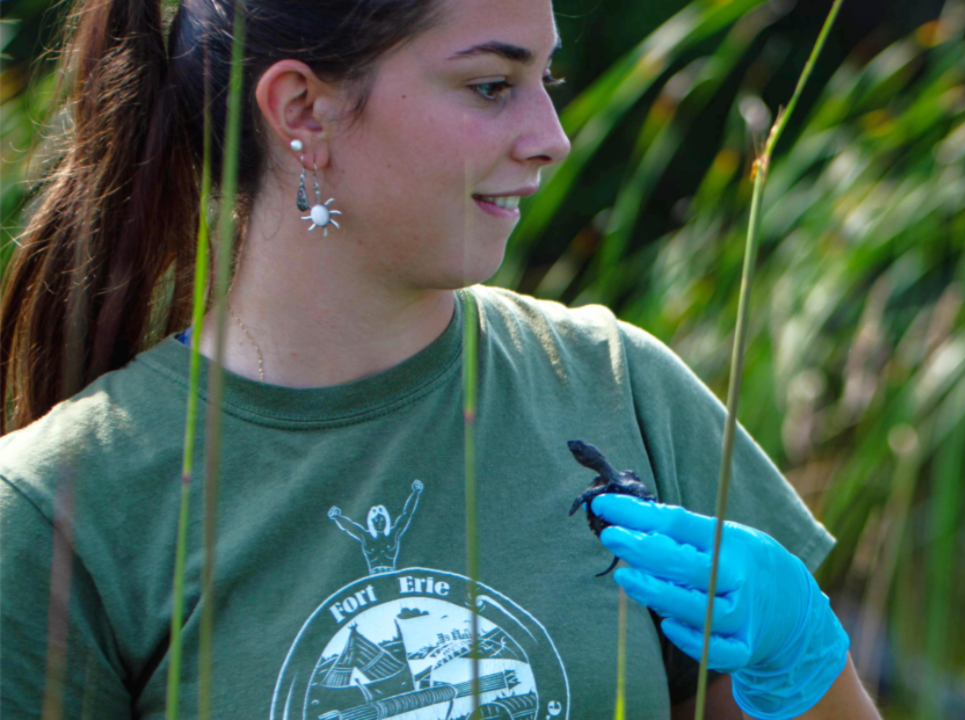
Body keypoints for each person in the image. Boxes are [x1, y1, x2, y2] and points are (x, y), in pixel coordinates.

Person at [0, 0, 881, 718]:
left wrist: (801, 664)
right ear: (303, 110)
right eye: (493, 85)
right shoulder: (57, 508)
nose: (552, 136)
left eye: (548, 78)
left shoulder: (621, 388)